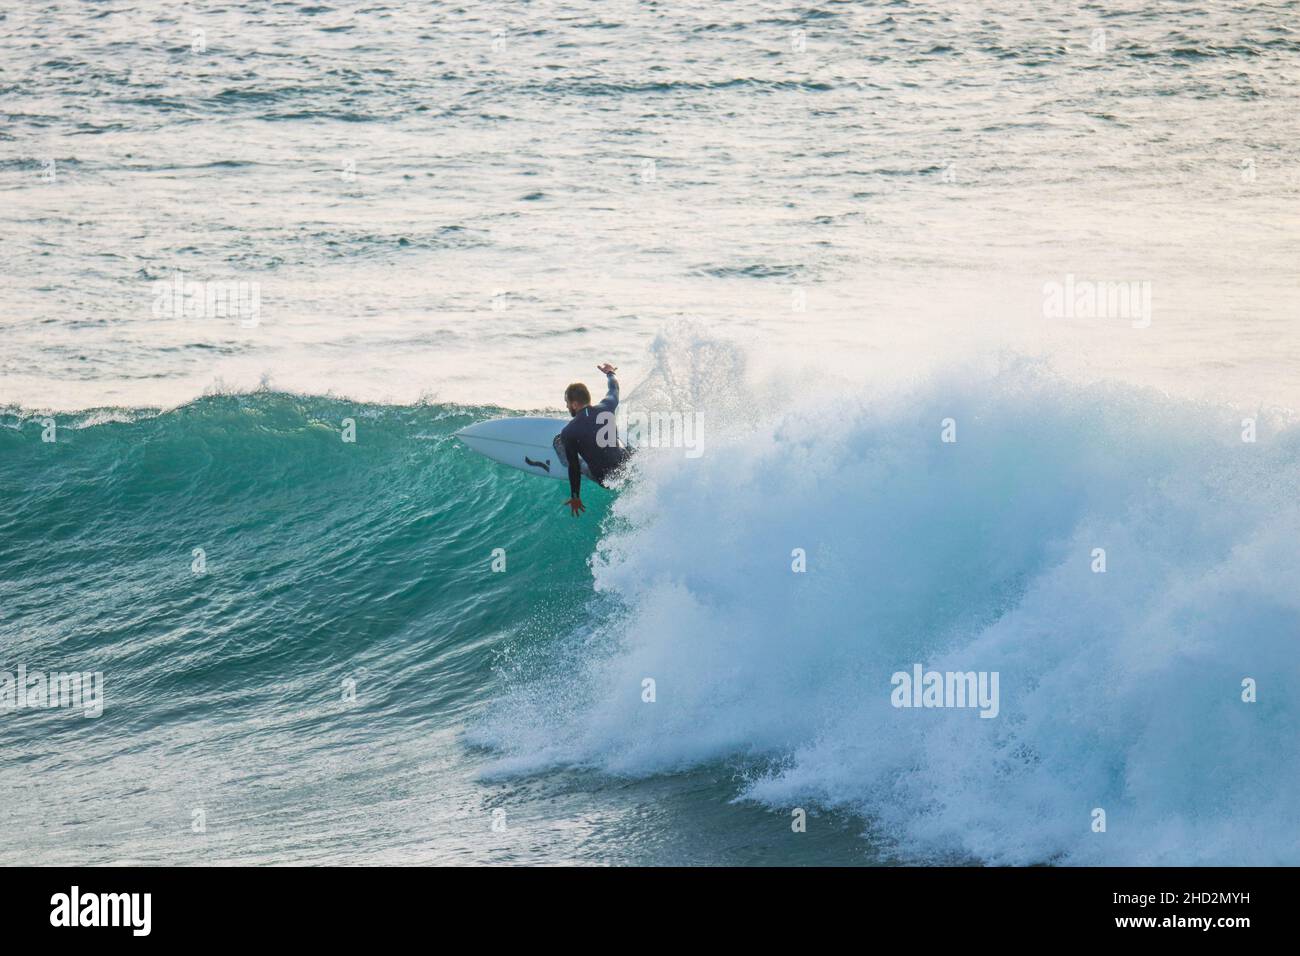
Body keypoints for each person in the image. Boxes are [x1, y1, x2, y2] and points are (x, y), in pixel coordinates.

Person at [560, 363, 631, 517]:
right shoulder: (607, 406)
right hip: (624, 468)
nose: (566, 406)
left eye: (567, 403)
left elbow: (574, 469)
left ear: (574, 404)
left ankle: (560, 447)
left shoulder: (569, 431)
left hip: (606, 480)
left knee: (578, 463)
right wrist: (610, 373)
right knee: (622, 443)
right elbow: (614, 389)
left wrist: (575, 497)